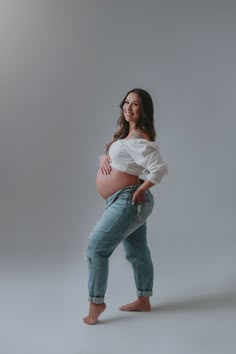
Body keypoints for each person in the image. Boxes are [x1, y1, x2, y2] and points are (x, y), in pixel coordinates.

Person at [83, 88, 168, 325]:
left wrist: (142, 189)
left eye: (136, 105)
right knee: (137, 251)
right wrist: (104, 158)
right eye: (126, 103)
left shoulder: (140, 137)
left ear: (144, 110)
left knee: (95, 249)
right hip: (125, 200)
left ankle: (96, 302)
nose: (129, 108)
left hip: (129, 200)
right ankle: (143, 300)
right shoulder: (128, 137)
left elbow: (159, 168)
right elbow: (116, 157)